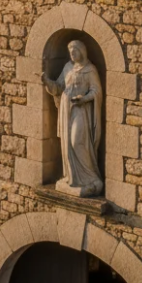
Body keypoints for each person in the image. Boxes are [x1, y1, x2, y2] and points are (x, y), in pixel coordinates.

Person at [41, 39, 104, 196]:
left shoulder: (90, 69)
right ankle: (71, 177)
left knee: (77, 142)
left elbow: (96, 91)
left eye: (75, 51)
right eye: (70, 52)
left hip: (81, 111)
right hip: (66, 110)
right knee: (67, 142)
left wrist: (83, 99)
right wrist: (46, 81)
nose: (72, 54)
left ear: (82, 51)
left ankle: (90, 178)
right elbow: (59, 87)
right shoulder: (68, 67)